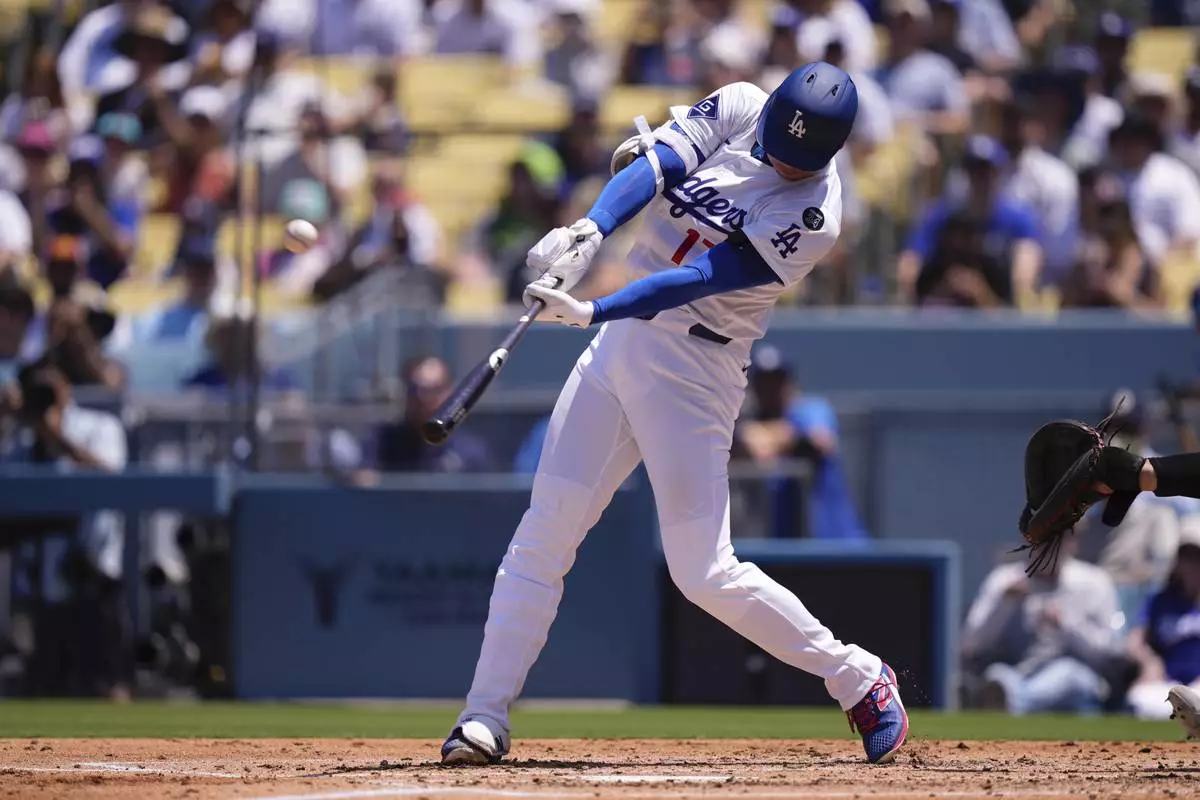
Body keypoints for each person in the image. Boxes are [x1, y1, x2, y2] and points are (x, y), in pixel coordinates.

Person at [440, 62, 908, 768]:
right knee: (544, 533)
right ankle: (483, 716)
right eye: (779, 141)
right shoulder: (743, 105)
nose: (781, 158)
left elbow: (700, 278)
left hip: (694, 373)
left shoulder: (815, 214)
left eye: (797, 156)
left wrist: (595, 308)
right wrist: (590, 229)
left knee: (703, 572)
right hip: (618, 351)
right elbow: (658, 165)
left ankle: (859, 678)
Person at [962, 535, 1122, 714]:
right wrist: (1004, 605)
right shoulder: (1004, 580)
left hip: (1077, 678)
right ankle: (1016, 699)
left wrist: (1066, 624)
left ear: (1071, 543)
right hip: (1018, 673)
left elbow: (1109, 650)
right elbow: (971, 643)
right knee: (998, 674)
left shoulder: (1094, 582)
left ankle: (1018, 702)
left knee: (1067, 674)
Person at [734, 345, 868, 540]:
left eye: (777, 380)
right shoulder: (748, 425)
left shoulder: (810, 410)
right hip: (786, 545)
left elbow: (822, 440)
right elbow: (748, 448)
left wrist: (769, 438)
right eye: (764, 382)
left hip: (837, 542)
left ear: (790, 383)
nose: (770, 389)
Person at [1125, 521, 1200, 720]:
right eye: (1187, 557)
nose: (1193, 564)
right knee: (1140, 699)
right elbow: (1134, 641)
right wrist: (1149, 661)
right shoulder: (1160, 600)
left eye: (1198, 557)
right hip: (1169, 684)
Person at [368, 355, 493, 474]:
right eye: (415, 389)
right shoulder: (381, 444)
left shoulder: (470, 453)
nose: (423, 398)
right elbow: (364, 479)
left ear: (450, 393)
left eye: (434, 390)